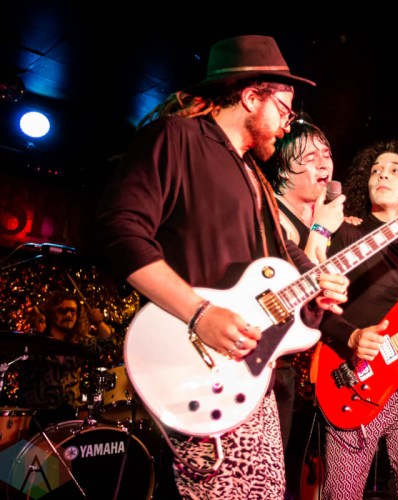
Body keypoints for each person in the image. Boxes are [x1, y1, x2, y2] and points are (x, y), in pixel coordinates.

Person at [94, 34, 350, 499]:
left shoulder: (253, 174)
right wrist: (201, 313)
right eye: (284, 110)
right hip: (197, 364)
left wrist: (318, 283)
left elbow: (281, 257)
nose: (287, 125)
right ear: (251, 97)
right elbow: (120, 230)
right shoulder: (177, 137)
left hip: (250, 372)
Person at [316, 139, 398, 499]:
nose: (382, 176)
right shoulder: (345, 233)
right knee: (342, 494)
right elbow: (315, 310)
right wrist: (353, 337)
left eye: (394, 170)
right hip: (349, 379)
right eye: (375, 171)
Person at [263, 116, 345, 496]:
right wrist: (321, 230)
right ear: (283, 169)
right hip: (273, 368)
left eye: (326, 155)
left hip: (311, 371)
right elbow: (297, 289)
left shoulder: (322, 214)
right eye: (310, 158)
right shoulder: (272, 216)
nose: (324, 164)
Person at [17, 290, 115, 428]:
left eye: (73, 311)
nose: (69, 315)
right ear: (51, 313)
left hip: (70, 416)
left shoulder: (79, 342)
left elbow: (108, 343)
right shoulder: (36, 341)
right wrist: (36, 331)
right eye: (63, 311)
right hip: (38, 417)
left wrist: (99, 323)